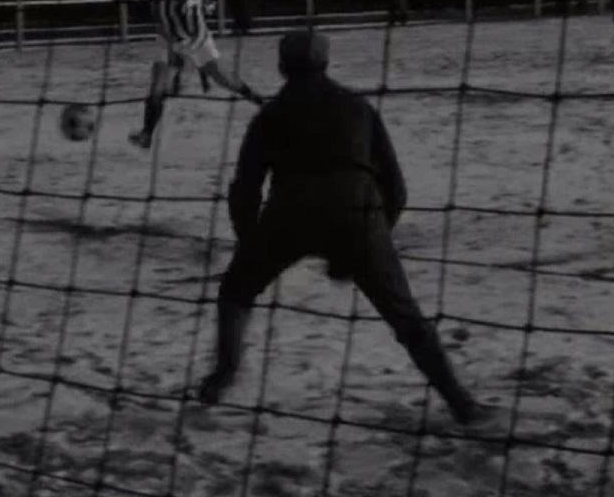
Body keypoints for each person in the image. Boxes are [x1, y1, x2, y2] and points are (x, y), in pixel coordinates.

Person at [196, 29, 502, 430]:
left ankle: (223, 375)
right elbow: (396, 187)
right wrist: (373, 237)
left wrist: (251, 244)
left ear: (282, 66)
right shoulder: (357, 108)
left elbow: (244, 191)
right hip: (358, 210)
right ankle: (462, 404)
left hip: (290, 212)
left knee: (235, 291)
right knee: (406, 318)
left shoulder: (270, 116)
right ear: (326, 63)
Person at [125, 0, 264, 149]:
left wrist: (188, 64)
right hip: (169, 40)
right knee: (157, 88)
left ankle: (263, 104)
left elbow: (195, 33)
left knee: (227, 80)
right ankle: (147, 134)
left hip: (198, 41)